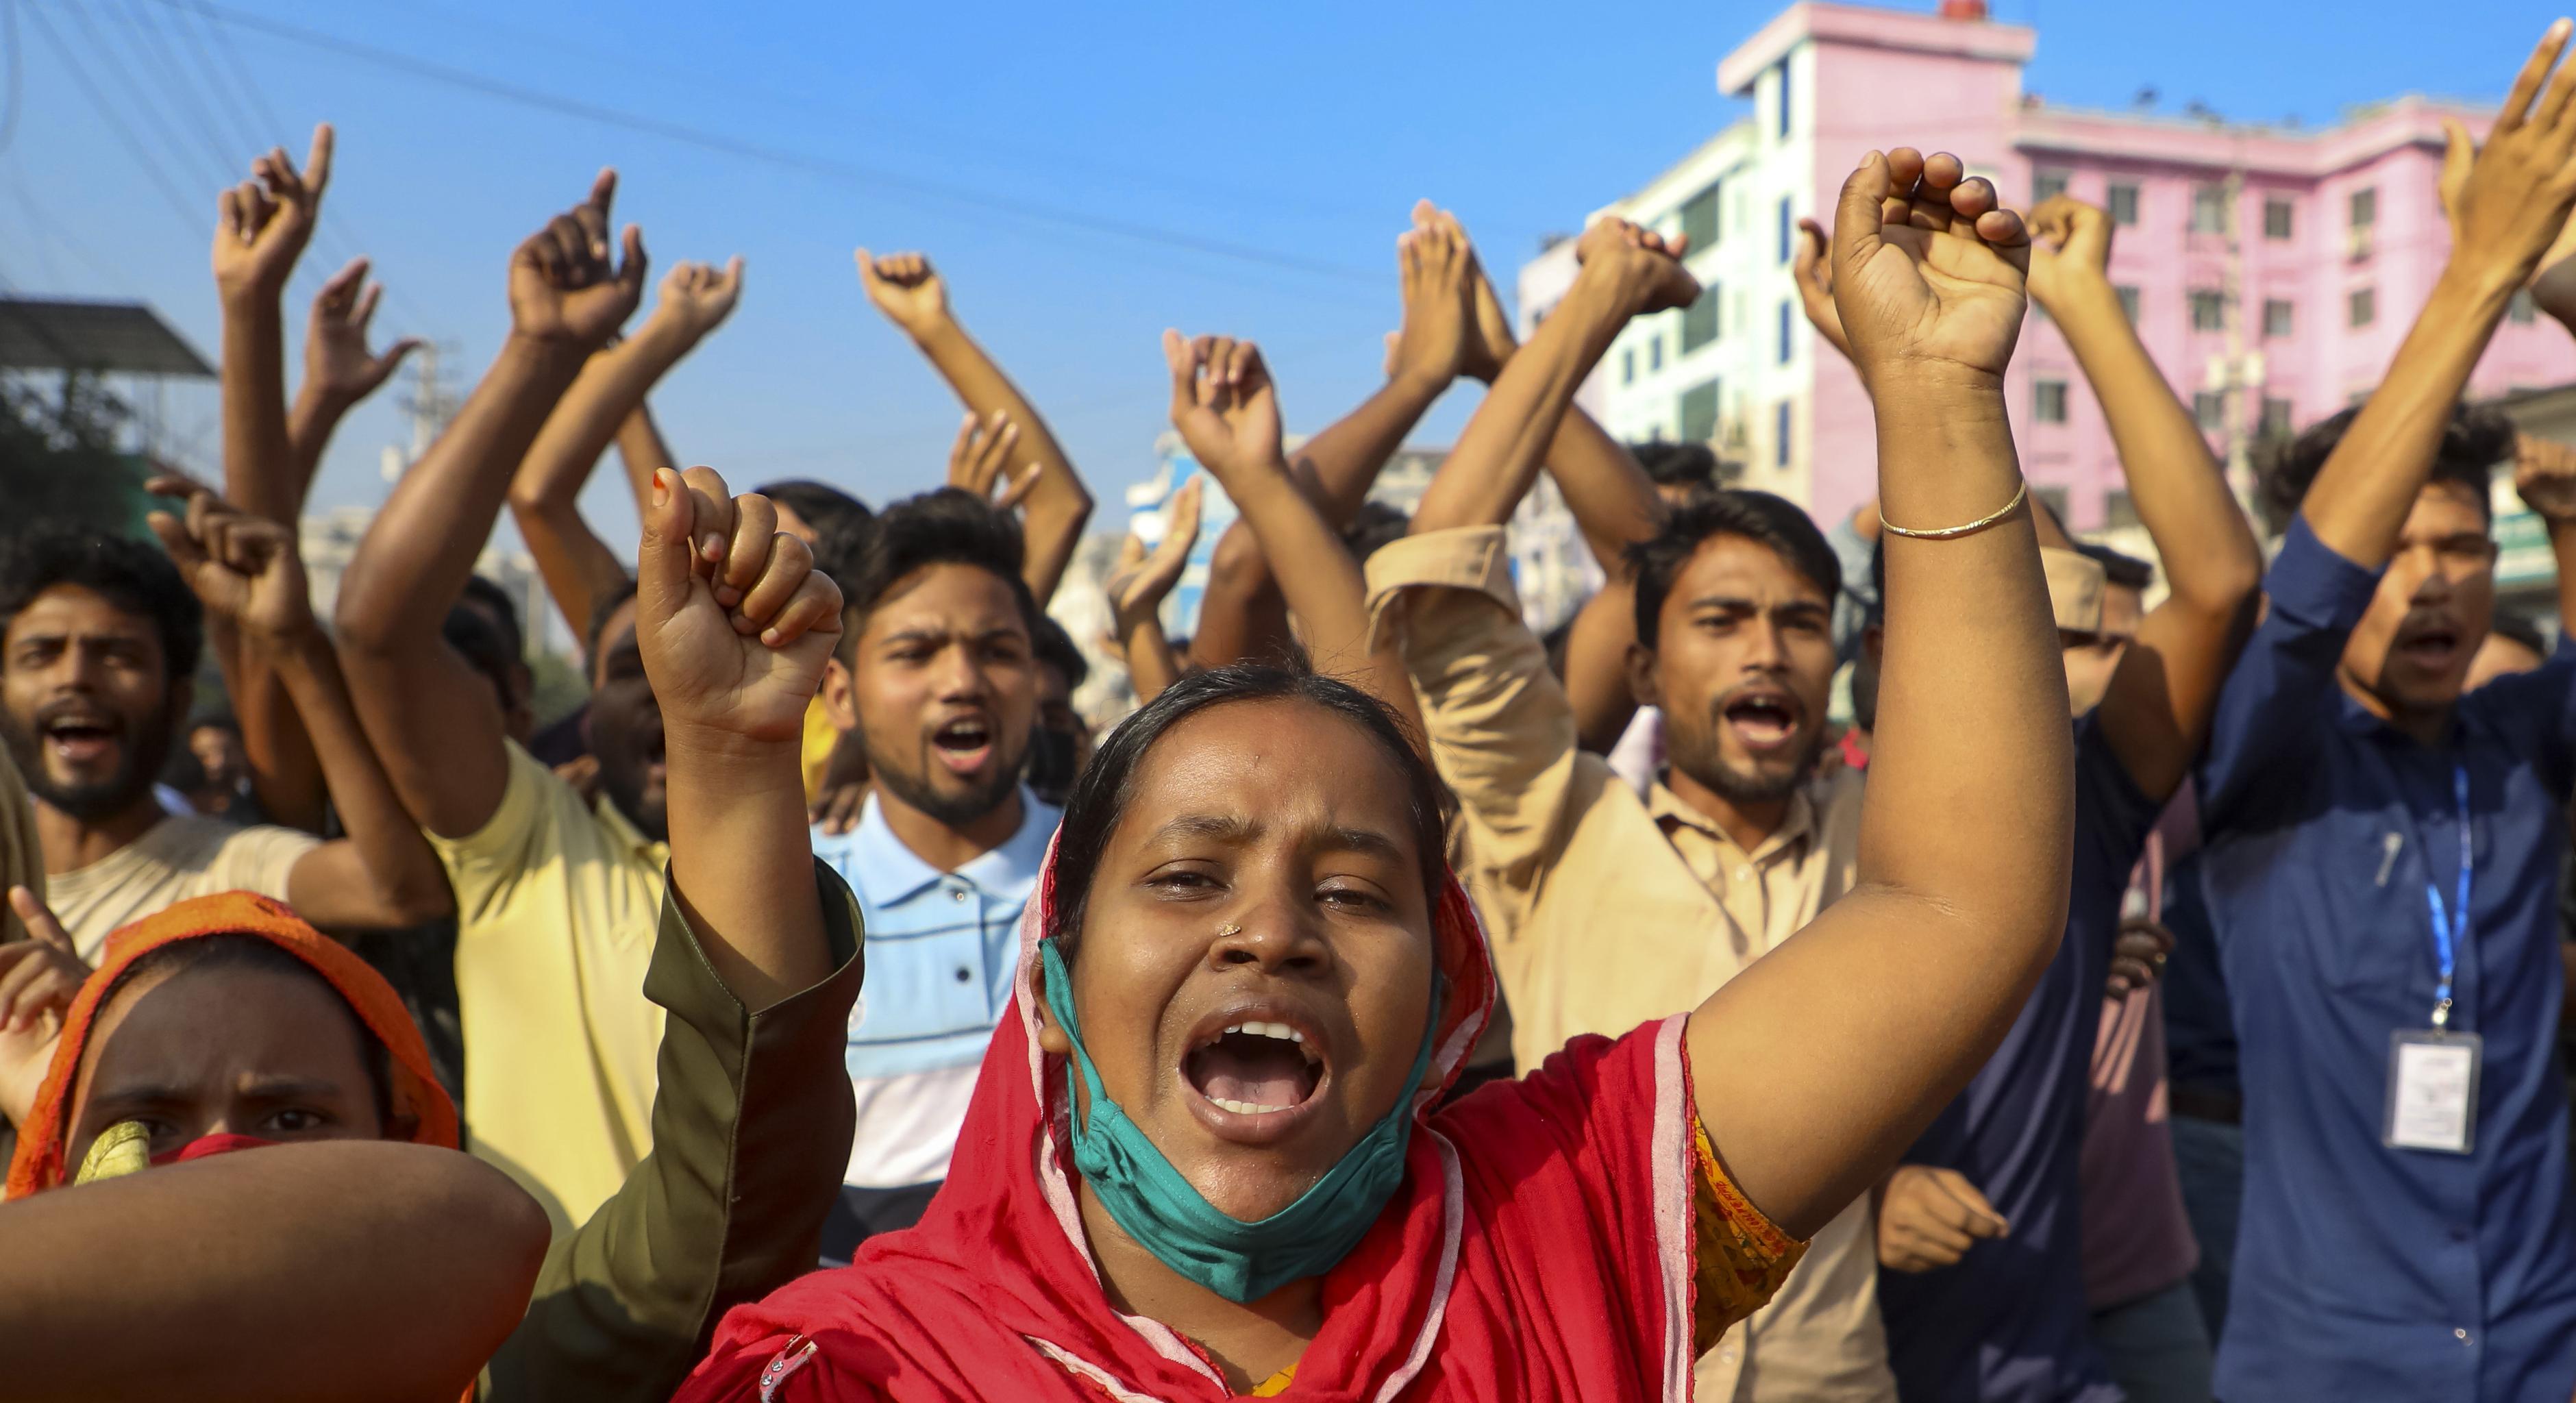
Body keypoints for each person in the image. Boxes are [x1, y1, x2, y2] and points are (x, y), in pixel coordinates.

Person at [678, 147, 2075, 1403]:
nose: (1270, 932)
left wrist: (1940, 394)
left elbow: (1953, 905)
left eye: (1352, 890)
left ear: (1446, 1002)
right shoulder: (859, 1368)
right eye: (1184, 875)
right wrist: (733, 764)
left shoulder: (1564, 1215)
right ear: (1048, 981)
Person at [4, 469, 863, 1403]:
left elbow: (731, 1194)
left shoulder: (507, 1376)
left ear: (406, 1138)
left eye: (293, 1119)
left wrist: (733, 759)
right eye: (144, 1126)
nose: (217, 1165)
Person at [2188, 25, 2576, 1399]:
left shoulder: (2526, 745)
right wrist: (2472, 279)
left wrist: (2554, 290)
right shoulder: (2263, 770)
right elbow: (2293, 606)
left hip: (2542, 1343)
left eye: (2461, 549)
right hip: (2327, 1363)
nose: (2430, 584)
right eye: (2394, 550)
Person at [1822, 189, 2258, 1403]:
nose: (1996, 649)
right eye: (1954, 606)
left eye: (2032, 620)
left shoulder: (2080, 800)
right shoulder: (1786, 826)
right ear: (1873, 653)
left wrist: (2077, 306)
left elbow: (2217, 582)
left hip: (2046, 1358)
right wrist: (1864, 1197)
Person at [332, 171, 695, 1229]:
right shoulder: (532, 845)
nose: (674, 695)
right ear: (585, 704)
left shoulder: (825, 867)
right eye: (636, 673)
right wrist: (540, 353)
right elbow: (377, 630)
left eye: (704, 665)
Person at [0, 498, 452, 964]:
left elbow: (399, 891)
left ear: (179, 701)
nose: (76, 677)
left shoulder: (230, 872)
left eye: (119, 656)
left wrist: (295, 645)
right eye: (42, 654)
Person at [809, 488, 1056, 1258]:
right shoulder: (797, 906)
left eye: (998, 650)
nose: (962, 681)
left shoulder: (1109, 878)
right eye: (916, 652)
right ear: (842, 693)